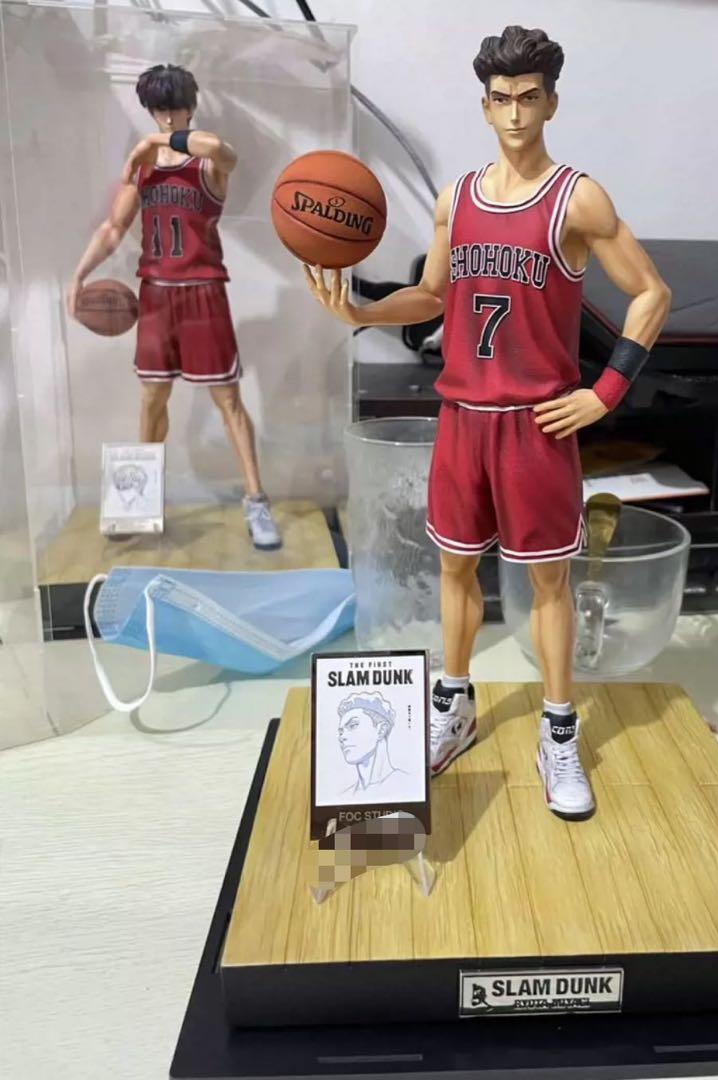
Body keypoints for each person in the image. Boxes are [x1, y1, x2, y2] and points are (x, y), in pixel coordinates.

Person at [305, 26, 671, 819]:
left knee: (549, 582)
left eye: (529, 98)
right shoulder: (456, 199)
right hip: (463, 418)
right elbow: (432, 297)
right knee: (454, 569)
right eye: (501, 99)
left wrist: (607, 391)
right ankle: (456, 703)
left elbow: (652, 293)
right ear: (484, 105)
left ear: (552, 103)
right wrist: (363, 311)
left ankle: (559, 729)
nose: (514, 114)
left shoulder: (578, 198)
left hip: (535, 424)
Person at [67, 63, 281, 551]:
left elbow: (224, 150)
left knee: (227, 400)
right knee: (151, 400)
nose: (168, 117)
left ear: (190, 107)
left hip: (204, 291)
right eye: (160, 110)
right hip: (157, 294)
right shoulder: (143, 168)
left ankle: (256, 500)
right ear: (150, 109)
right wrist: (78, 274)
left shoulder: (206, 163)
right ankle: (139, 500)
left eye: (176, 108)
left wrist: (151, 142)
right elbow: (113, 229)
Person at [337, 692, 405, 794]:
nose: (342, 737)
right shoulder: (344, 796)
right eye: (341, 732)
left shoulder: (406, 784)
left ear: (381, 730)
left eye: (353, 725)